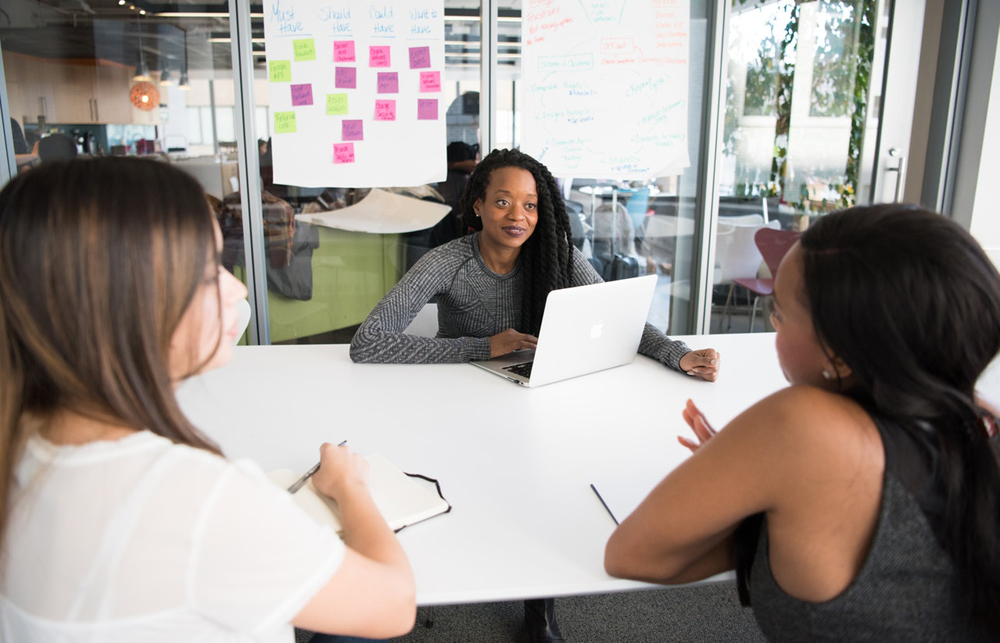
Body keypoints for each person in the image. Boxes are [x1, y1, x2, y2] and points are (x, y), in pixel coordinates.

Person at [0, 157, 416, 642]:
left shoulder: (24, 438)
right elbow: (393, 605)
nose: (237, 287)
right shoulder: (190, 500)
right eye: (206, 273)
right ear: (126, 305)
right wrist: (349, 486)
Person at [350, 148, 721, 642]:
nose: (517, 216)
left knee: (548, 478)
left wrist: (677, 354)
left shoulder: (555, 256)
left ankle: (538, 608)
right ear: (477, 205)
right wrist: (483, 347)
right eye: (503, 202)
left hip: (529, 395)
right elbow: (368, 341)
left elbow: (618, 318)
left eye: (529, 205)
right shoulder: (448, 262)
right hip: (453, 401)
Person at [604, 205, 1000, 641]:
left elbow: (632, 556)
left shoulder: (802, 426)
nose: (774, 325)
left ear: (842, 353)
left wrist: (750, 478)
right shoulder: (980, 419)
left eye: (781, 313)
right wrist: (771, 480)